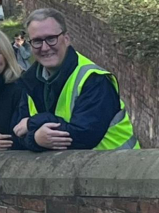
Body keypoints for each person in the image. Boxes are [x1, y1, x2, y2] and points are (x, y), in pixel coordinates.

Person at [13, 8, 139, 151]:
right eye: (37, 41)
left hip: (118, 167)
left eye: (51, 39)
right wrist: (35, 139)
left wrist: (34, 123)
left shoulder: (94, 80)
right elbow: (18, 131)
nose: (45, 47)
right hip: (73, 169)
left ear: (66, 39)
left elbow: (84, 136)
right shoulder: (29, 80)